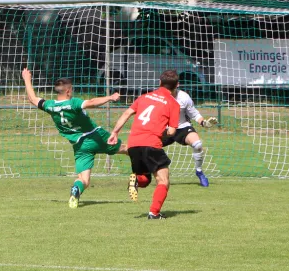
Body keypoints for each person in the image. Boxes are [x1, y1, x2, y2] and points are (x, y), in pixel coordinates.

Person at [22, 68, 128, 208]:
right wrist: (109, 97)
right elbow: (91, 102)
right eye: (71, 89)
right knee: (128, 148)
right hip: (96, 137)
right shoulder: (73, 103)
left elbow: (33, 99)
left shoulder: (49, 106)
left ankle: (76, 190)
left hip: (80, 145)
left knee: (84, 179)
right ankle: (140, 175)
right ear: (67, 91)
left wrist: (27, 79)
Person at [108, 70, 181, 220]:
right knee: (163, 180)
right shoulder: (173, 103)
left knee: (145, 178)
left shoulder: (143, 97)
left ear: (159, 82)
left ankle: (136, 181)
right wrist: (162, 132)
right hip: (151, 143)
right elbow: (172, 131)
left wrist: (115, 132)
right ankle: (154, 213)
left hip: (133, 144)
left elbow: (127, 113)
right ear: (177, 86)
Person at [162, 89, 218, 187]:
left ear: (177, 84)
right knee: (144, 146)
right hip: (164, 129)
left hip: (182, 127)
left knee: (197, 144)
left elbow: (194, 114)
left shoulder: (184, 97)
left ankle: (199, 172)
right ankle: (140, 174)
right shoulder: (157, 96)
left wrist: (204, 123)